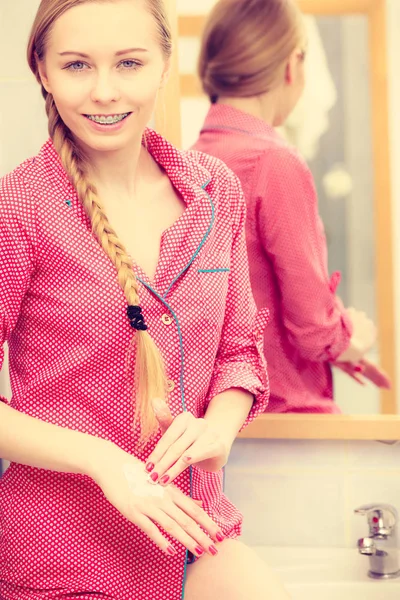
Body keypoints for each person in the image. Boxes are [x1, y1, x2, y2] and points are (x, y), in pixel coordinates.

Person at [0, 1, 291, 599]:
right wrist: (106, 463)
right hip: (61, 558)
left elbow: (239, 350)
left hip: (193, 536)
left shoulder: (216, 193)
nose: (104, 91)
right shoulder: (19, 208)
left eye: (128, 63)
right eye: (77, 65)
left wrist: (220, 427)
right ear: (43, 72)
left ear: (164, 64)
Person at [193, 0, 390, 415]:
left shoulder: (188, 162)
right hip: (288, 417)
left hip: (221, 420)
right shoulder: (274, 163)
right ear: (292, 64)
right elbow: (314, 330)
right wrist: (355, 334)